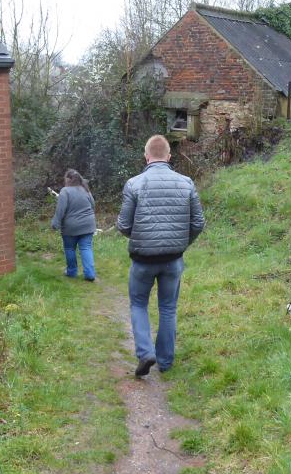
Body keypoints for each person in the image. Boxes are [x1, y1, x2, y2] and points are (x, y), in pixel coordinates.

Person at [117, 135, 205, 377]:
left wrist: (141, 239)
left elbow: (123, 225)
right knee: (168, 308)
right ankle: (165, 362)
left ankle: (145, 353)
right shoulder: (186, 183)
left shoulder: (134, 184)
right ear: (169, 156)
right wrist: (182, 243)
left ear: (146, 157)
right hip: (173, 260)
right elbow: (198, 223)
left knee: (138, 304)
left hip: (143, 260)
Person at [51, 169, 97, 281]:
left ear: (68, 179)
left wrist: (55, 224)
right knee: (86, 248)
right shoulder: (85, 189)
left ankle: (71, 272)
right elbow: (93, 205)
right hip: (88, 225)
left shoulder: (65, 191)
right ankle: (90, 274)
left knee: (69, 248)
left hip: (70, 227)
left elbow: (60, 210)